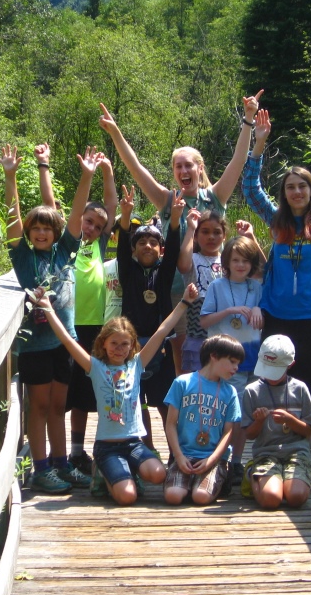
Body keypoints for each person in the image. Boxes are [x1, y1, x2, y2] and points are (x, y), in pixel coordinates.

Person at [99, 90, 264, 372]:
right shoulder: (166, 200)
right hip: (176, 290)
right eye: (178, 166)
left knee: (219, 356)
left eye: (189, 165)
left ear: (199, 169)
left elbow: (238, 161)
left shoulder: (215, 197)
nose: (183, 170)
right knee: (183, 359)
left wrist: (248, 119)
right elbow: (136, 168)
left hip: (217, 291)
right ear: (174, 172)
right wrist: (116, 134)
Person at [31, 283, 200, 505]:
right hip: (107, 448)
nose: (119, 349)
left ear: (132, 347)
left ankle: (126, 473)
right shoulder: (96, 367)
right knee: (127, 497)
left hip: (134, 444)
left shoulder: (136, 365)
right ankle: (102, 475)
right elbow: (67, 340)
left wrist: (184, 302)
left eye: (124, 344)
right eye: (113, 343)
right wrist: (48, 310)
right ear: (103, 343)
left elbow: (161, 331)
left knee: (158, 475)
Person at [0, 143, 101, 494]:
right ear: (29, 233)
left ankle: (60, 464)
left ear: (55, 234)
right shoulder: (24, 259)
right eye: (35, 229)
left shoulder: (66, 253)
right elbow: (12, 220)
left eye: (47, 229)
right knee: (38, 407)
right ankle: (41, 469)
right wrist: (10, 176)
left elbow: (71, 216)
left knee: (58, 406)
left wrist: (86, 176)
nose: (41, 233)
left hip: (64, 341)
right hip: (36, 345)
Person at [241, 105, 311, 406]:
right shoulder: (276, 221)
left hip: (309, 315)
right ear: (285, 193)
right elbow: (251, 190)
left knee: (307, 380)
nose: (296, 191)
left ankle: (304, 440)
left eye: (302, 186)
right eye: (290, 187)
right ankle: (270, 437)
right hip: (275, 313)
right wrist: (259, 144)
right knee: (271, 379)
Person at [32, 142, 119, 476]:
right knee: (63, 393)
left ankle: (78, 450)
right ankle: (58, 456)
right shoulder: (64, 244)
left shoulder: (97, 243)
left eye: (99, 225)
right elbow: (50, 204)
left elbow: (110, 205)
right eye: (88, 221)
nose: (93, 228)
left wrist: (108, 172)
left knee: (85, 393)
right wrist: (44, 165)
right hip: (64, 324)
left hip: (94, 325)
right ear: (78, 218)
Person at [116, 184, 183, 449]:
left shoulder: (164, 274)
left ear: (161, 250)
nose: (147, 246)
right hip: (131, 348)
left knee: (164, 401)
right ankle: (147, 449)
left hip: (162, 346)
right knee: (138, 399)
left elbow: (175, 251)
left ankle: (174, 450)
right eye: (141, 242)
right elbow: (121, 248)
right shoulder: (128, 272)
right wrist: (125, 217)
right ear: (133, 250)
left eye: (154, 242)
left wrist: (175, 220)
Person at [198, 230, 265, 485]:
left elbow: (265, 316)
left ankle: (236, 461)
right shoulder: (217, 286)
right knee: (230, 413)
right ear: (226, 262)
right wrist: (229, 310)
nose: (240, 265)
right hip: (228, 361)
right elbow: (204, 320)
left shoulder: (256, 288)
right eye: (236, 260)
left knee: (246, 414)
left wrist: (258, 308)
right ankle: (222, 459)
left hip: (253, 359)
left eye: (246, 261)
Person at [163, 334, 244, 505]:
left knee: (201, 497)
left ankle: (216, 477)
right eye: (232, 361)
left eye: (238, 363)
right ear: (213, 356)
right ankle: (188, 481)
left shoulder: (230, 392)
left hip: (212, 458)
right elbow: (170, 424)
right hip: (184, 455)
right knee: (173, 496)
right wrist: (178, 456)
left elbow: (228, 432)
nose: (236, 368)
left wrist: (212, 460)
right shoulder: (182, 383)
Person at [240, 335, 311, 509]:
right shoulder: (252, 391)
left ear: (290, 365)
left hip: (297, 452)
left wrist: (290, 420)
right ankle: (254, 473)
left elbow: (308, 432)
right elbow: (249, 434)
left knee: (296, 498)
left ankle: (291, 478)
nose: (271, 376)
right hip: (266, 452)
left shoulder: (300, 389)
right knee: (271, 499)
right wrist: (258, 421)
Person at [176, 209, 227, 374]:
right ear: (197, 237)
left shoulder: (229, 260)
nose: (211, 237)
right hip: (198, 336)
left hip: (224, 335)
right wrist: (190, 228)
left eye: (217, 232)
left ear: (224, 236)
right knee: (198, 381)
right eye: (205, 232)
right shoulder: (194, 258)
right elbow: (182, 265)